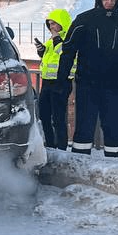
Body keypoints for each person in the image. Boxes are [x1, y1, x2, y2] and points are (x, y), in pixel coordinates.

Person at [54, 0, 118, 158]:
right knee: (85, 125)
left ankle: (113, 164)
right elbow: (68, 51)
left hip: (114, 85)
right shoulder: (84, 20)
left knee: (114, 126)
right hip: (87, 83)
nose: (109, 2)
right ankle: (80, 162)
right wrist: (62, 81)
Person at [33, 8, 75, 150]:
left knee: (58, 118)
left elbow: (66, 54)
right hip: (46, 82)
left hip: (62, 82)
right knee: (44, 116)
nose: (52, 27)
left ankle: (61, 147)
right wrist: (42, 51)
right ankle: (50, 145)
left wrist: (57, 39)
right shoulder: (51, 41)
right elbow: (51, 60)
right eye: (49, 24)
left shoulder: (69, 39)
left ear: (62, 23)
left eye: (54, 23)